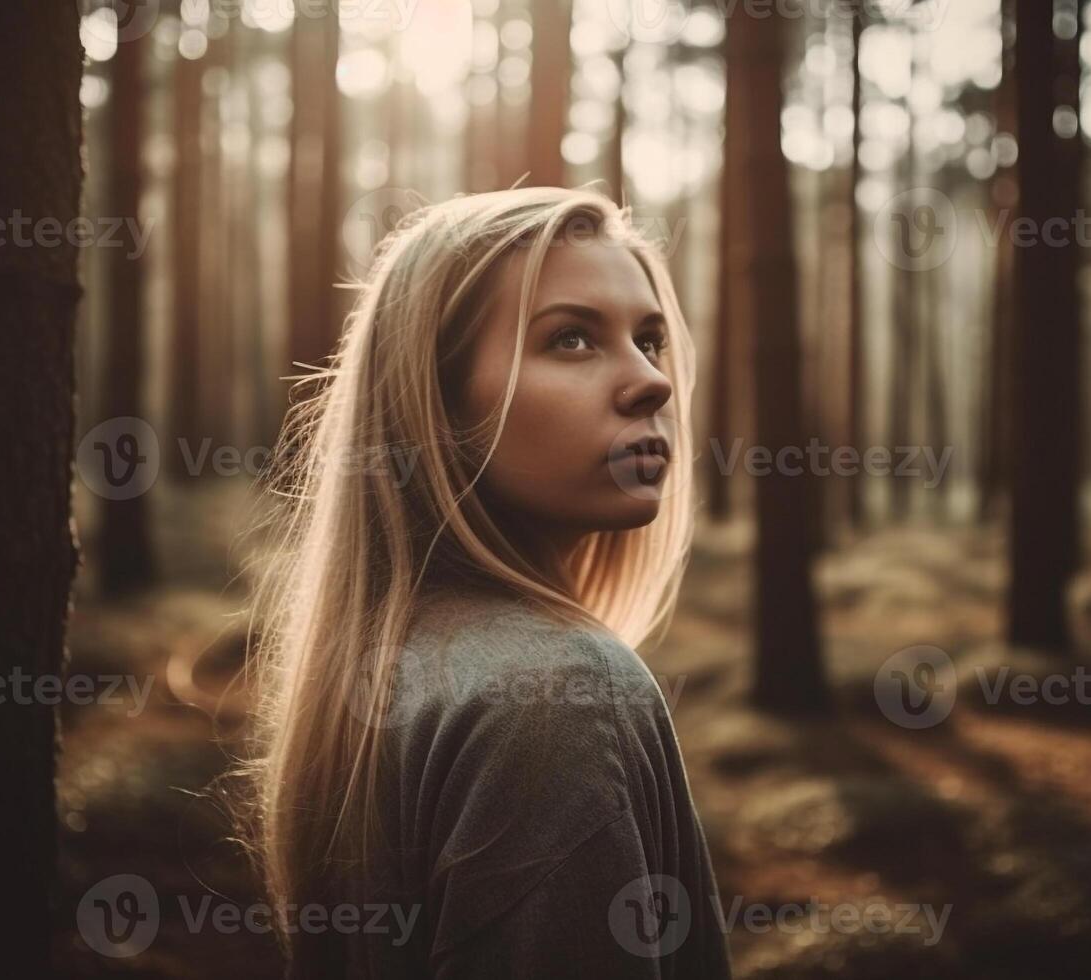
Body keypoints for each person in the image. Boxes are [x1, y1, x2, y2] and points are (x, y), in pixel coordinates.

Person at [236, 185, 731, 978]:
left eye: (650, 340)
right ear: (436, 405)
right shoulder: (559, 693)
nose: (651, 382)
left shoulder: (383, 662)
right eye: (571, 340)